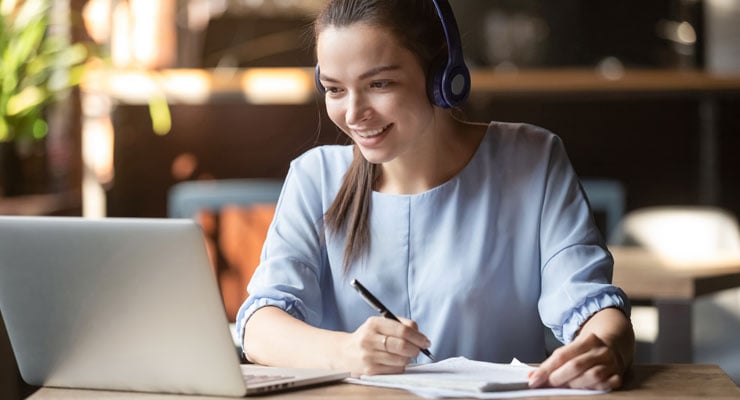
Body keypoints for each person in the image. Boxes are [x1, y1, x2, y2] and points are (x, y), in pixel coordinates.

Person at [236, 0, 635, 390]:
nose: (354, 113)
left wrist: (605, 349)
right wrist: (348, 351)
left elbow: (591, 305)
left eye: (379, 84)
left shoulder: (532, 158)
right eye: (335, 89)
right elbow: (259, 328)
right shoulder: (315, 176)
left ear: (442, 76)